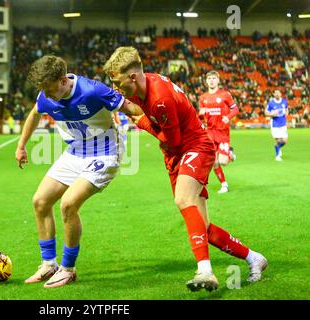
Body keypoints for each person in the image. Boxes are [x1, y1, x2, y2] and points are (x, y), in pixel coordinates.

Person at [103, 46, 267, 292]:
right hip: (176, 154)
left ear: (132, 77)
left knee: (183, 198)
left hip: (194, 147)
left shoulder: (159, 98)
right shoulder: (146, 85)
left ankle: (205, 271)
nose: (116, 87)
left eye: (117, 82)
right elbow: (132, 108)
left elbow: (173, 140)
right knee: (203, 228)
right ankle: (254, 257)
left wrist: (143, 122)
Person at [15, 55, 142, 288]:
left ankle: (68, 269)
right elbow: (34, 114)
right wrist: (21, 145)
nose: (48, 96)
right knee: (40, 201)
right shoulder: (46, 95)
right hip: (75, 153)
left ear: (63, 80)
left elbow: (133, 109)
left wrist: (163, 126)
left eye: (51, 90)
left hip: (105, 152)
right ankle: (48, 264)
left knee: (68, 204)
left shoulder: (93, 91)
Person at [198, 71, 239, 193]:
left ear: (218, 80)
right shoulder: (203, 98)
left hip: (223, 132)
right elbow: (201, 116)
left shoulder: (225, 95)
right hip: (210, 132)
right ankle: (224, 185)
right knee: (213, 162)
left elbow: (235, 109)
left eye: (214, 78)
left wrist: (228, 117)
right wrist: (200, 115)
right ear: (206, 81)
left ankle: (229, 154)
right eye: (209, 78)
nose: (211, 80)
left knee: (223, 162)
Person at [265, 90, 288, 161]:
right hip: (275, 124)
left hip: (283, 124)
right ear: (274, 94)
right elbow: (266, 112)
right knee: (278, 141)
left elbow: (286, 109)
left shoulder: (284, 101)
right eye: (275, 93)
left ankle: (277, 147)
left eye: (278, 93)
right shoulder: (271, 103)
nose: (277, 94)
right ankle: (277, 156)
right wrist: (272, 114)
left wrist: (286, 114)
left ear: (280, 94)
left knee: (285, 141)